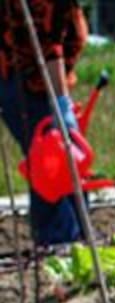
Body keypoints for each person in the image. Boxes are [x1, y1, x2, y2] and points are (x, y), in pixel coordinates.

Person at [0, 0, 86, 246]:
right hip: (30, 86)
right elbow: (49, 48)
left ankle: (72, 238)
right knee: (54, 162)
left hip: (27, 82)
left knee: (56, 162)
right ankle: (60, 241)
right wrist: (60, 102)